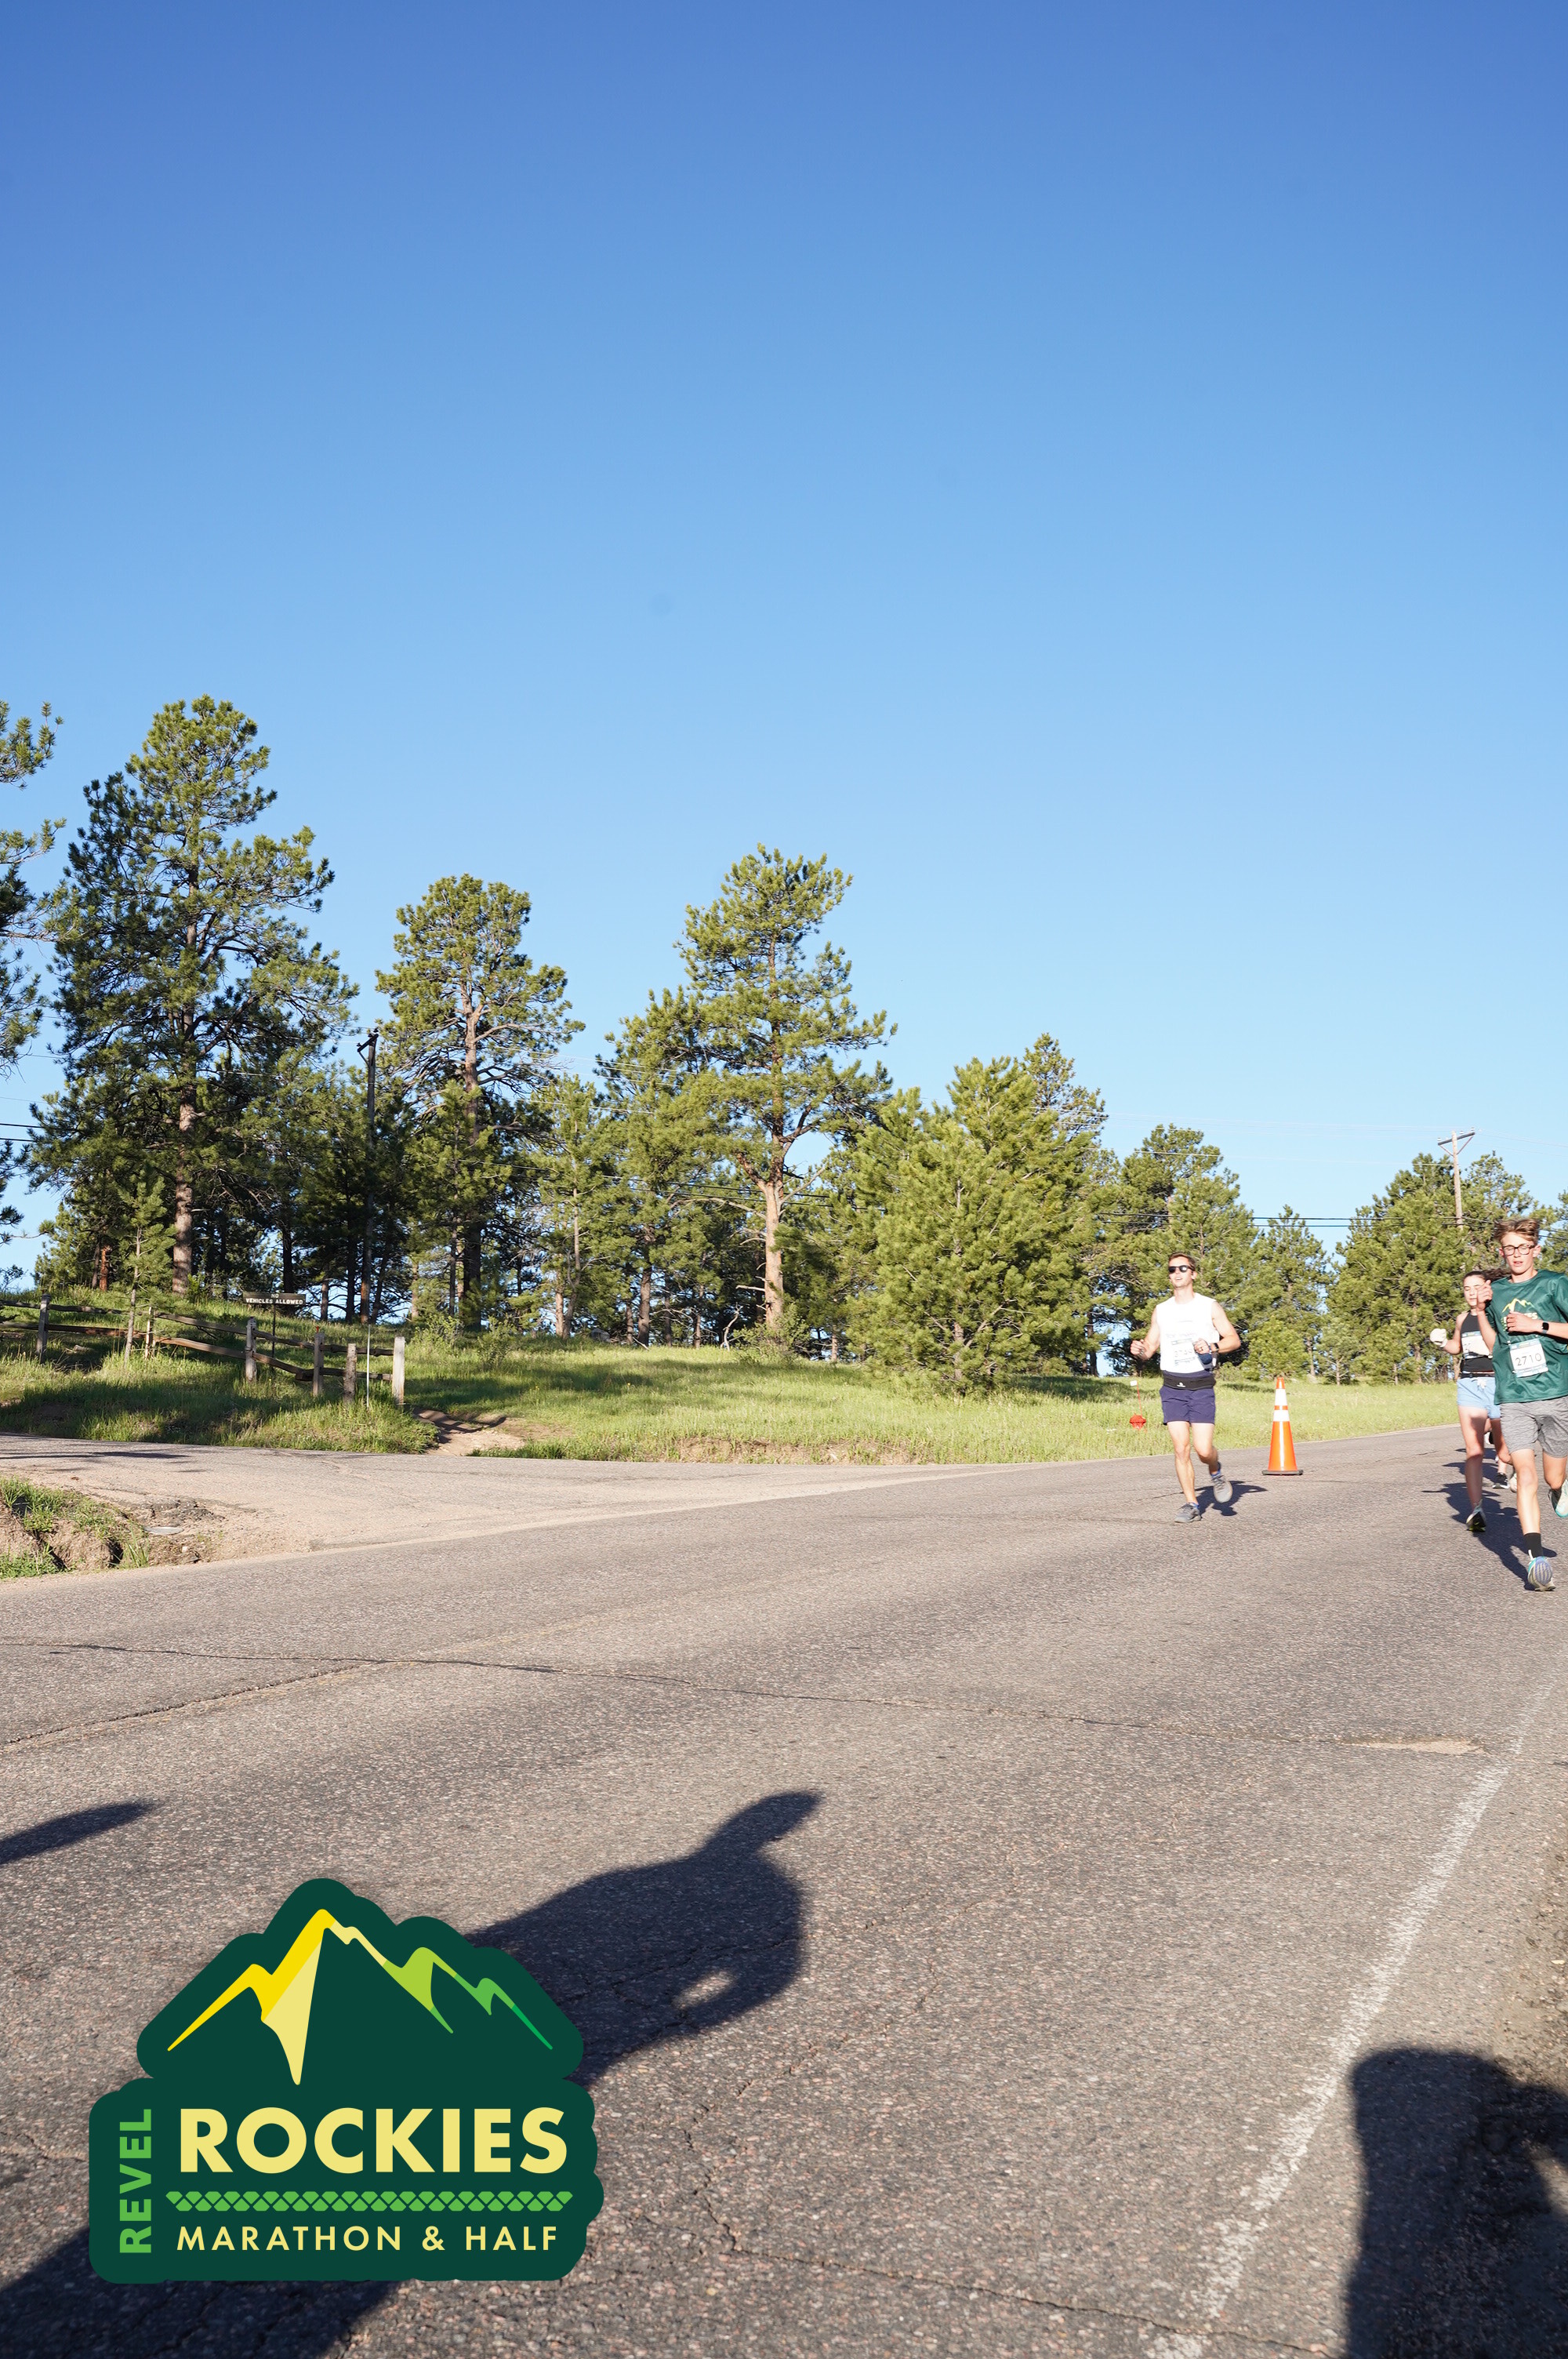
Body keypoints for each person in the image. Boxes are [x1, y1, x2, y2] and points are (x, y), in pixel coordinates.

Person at [1474, 1217, 1568, 1591]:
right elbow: (1493, 1345)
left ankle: (1559, 1490)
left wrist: (1536, 1325)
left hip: (1556, 1393)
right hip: (1514, 1396)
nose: (1516, 1255)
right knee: (1525, 1475)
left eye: (1523, 1248)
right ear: (1502, 1252)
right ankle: (1536, 1559)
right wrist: (1480, 1310)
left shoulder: (1555, 1284)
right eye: (1509, 1248)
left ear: (1536, 1249)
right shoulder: (1495, 1292)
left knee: (1553, 1477)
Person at [1129, 1252, 1242, 1521]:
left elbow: (1234, 1339)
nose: (1177, 1273)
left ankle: (1215, 1470)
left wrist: (1213, 1346)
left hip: (1201, 1386)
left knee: (1203, 1450)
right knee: (1181, 1448)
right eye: (1172, 1269)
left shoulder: (1209, 1306)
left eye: (1182, 1268)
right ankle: (1192, 1505)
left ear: (1193, 1273)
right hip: (1172, 1387)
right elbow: (1150, 1348)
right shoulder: (1162, 1310)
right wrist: (1139, 1350)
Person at [1432, 1267, 1515, 1534]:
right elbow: (1457, 1348)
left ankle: (1517, 1468)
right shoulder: (1462, 1319)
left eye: (1476, 1287)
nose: (1471, 1293)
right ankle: (1477, 1509)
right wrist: (1442, 1343)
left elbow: (1501, 1347)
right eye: (1467, 1289)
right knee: (1474, 1451)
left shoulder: (1497, 1314)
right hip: (1469, 1384)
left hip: (1497, 1384)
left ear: (1487, 1288)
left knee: (1504, 1452)